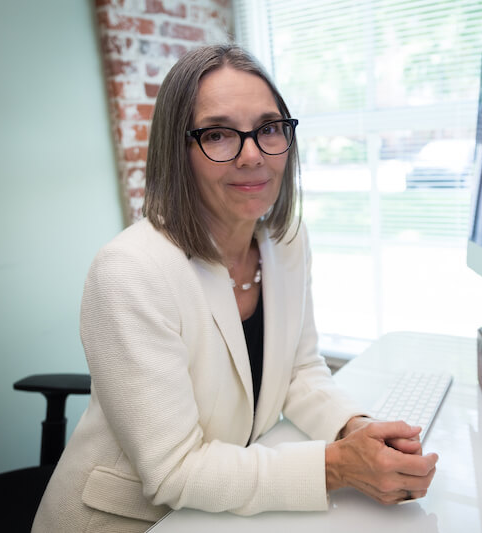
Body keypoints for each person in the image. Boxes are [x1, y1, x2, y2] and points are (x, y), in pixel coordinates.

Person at [32, 44, 438, 533]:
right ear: (176, 150)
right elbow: (173, 471)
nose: (252, 156)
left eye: (268, 129)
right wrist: (335, 466)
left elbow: (300, 369)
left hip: (225, 512)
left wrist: (356, 431)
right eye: (219, 134)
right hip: (132, 521)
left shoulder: (286, 241)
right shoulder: (129, 270)